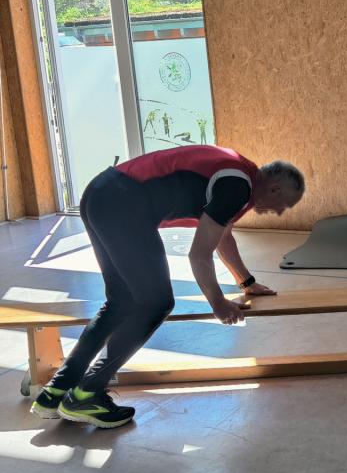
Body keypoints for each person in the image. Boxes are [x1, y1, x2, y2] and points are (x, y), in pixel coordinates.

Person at [30, 145, 305, 428]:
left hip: (101, 194)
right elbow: (199, 255)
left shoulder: (239, 177)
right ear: (274, 189)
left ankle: (55, 392)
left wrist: (246, 282)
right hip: (123, 203)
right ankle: (87, 393)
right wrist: (218, 303)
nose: (279, 212)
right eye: (284, 204)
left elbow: (223, 237)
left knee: (121, 302)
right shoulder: (237, 186)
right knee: (156, 303)